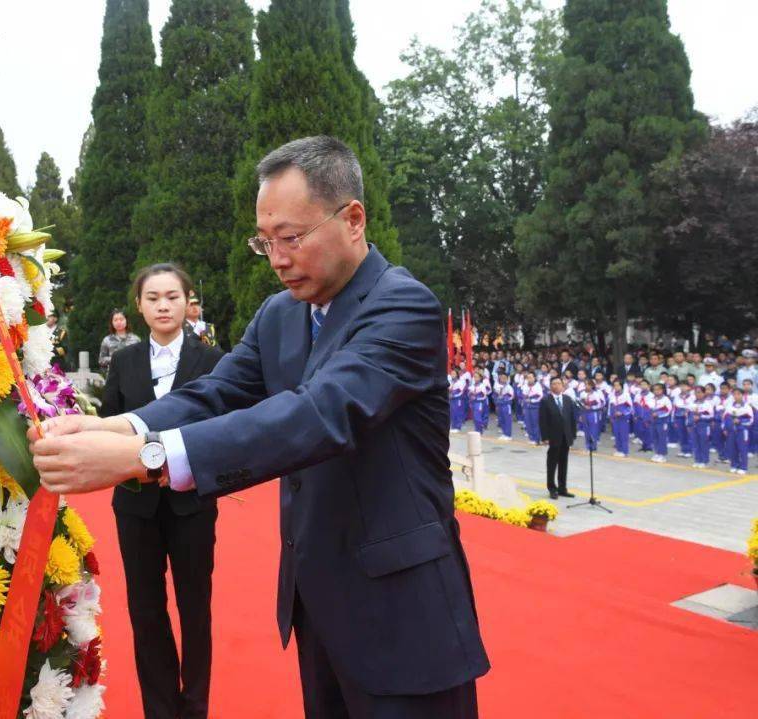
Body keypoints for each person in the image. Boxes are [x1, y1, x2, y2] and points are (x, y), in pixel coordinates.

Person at [28, 136, 488, 717]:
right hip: (319, 605)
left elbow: (318, 413)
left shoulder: (404, 307)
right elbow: (216, 393)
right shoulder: (281, 315)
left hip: (402, 615)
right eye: (264, 242)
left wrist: (143, 459)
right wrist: (115, 427)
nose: (276, 259)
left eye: (291, 238)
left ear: (352, 219)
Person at [99, 264, 225, 718]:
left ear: (188, 301)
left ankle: (195, 707)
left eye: (172, 296)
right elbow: (109, 420)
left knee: (196, 608)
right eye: (153, 298)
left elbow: (222, 426)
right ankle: (160, 709)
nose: (163, 305)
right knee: (145, 610)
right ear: (139, 306)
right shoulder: (125, 360)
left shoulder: (212, 360)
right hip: (135, 505)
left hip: (192, 504)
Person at [539, 377, 577, 499]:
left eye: (559, 383)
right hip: (553, 436)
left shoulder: (567, 399)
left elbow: (572, 418)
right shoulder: (546, 400)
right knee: (552, 463)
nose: (556, 386)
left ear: (563, 386)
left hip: (565, 436)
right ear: (550, 386)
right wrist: (545, 437)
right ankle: (552, 488)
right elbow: (542, 420)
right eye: (554, 384)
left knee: (563, 463)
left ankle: (562, 488)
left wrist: (573, 434)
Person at [98, 308, 141, 373]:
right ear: (112, 322)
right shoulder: (107, 340)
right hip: (114, 376)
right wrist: (115, 358)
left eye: (121, 319)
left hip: (132, 375)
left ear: (126, 320)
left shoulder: (135, 339)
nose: (119, 322)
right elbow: (101, 360)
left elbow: (141, 359)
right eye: (115, 320)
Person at [724, 387, 754, 474]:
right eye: (734, 394)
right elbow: (725, 418)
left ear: (743, 395)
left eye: (738, 394)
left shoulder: (747, 407)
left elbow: (751, 420)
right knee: (732, 448)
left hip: (742, 431)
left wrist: (740, 421)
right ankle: (734, 465)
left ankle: (743, 467)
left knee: (742, 449)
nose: (736, 396)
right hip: (731, 431)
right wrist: (725, 428)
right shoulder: (729, 406)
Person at [689, 385, 715, 469]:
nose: (697, 394)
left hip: (704, 425)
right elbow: (689, 414)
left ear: (704, 393)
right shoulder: (692, 403)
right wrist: (689, 423)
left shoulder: (707, 404)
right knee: (695, 443)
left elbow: (710, 416)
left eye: (699, 392)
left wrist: (700, 417)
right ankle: (697, 460)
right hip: (694, 425)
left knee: (703, 443)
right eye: (696, 392)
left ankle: (704, 461)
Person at [579, 378, 605, 452]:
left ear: (592, 386)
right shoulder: (582, 394)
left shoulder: (596, 394)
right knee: (586, 430)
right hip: (584, 413)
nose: (587, 386)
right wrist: (581, 414)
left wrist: (591, 407)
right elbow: (580, 404)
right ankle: (587, 446)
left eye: (588, 385)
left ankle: (593, 446)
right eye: (585, 385)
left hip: (593, 413)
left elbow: (601, 404)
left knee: (593, 430)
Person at [608, 380, 632, 457]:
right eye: (614, 385)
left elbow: (630, 407)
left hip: (623, 418)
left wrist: (622, 412)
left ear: (621, 386)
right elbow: (610, 406)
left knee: (623, 434)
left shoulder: (626, 395)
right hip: (615, 417)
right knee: (617, 434)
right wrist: (610, 415)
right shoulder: (612, 395)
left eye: (618, 385)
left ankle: (625, 451)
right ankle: (619, 450)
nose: (616, 387)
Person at [649, 383, 672, 463]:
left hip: (662, 420)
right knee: (654, 436)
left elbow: (668, 410)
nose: (657, 391)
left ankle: (662, 454)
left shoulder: (666, 399)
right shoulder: (651, 398)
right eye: (655, 389)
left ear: (663, 390)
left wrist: (658, 413)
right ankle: (657, 452)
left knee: (661, 436)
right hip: (653, 420)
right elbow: (650, 407)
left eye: (659, 389)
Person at [524, 370, 544, 445]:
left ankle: (537, 439)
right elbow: (523, 395)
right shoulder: (525, 385)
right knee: (528, 422)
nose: (529, 379)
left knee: (535, 423)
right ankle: (531, 438)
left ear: (534, 378)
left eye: (531, 377)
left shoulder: (537, 385)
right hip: (527, 406)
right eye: (528, 377)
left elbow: (540, 396)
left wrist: (532, 400)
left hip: (535, 407)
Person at [469, 369, 492, 433]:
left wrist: (476, 397)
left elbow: (483, 395)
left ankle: (480, 429)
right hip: (473, 403)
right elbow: (469, 393)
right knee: (474, 416)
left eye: (477, 377)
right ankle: (477, 428)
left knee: (478, 416)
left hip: (479, 403)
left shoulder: (482, 386)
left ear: (480, 378)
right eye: (474, 377)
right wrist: (471, 396)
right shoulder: (472, 386)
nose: (475, 378)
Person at [495, 372, 515, 440]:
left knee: (507, 420)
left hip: (506, 405)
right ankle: (504, 433)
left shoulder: (509, 387)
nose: (503, 379)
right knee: (501, 419)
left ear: (507, 379)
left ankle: (508, 435)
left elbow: (511, 396)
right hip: (500, 405)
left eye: (504, 378)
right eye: (501, 378)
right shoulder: (498, 386)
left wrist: (503, 398)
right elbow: (495, 395)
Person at [448, 368, 468, 433]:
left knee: (458, 412)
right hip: (451, 399)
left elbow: (461, 392)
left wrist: (453, 395)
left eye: (454, 374)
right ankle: (453, 426)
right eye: (451, 373)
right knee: (452, 412)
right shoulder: (450, 382)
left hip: (457, 399)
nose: (452, 375)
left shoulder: (460, 382)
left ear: (457, 374)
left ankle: (458, 427)